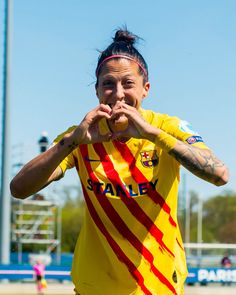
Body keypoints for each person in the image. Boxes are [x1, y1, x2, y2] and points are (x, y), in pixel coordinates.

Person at [10, 28, 229, 295]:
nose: (118, 94)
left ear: (145, 89)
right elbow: (19, 189)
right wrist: (73, 141)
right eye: (108, 84)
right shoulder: (80, 136)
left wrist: (153, 135)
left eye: (128, 83)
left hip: (159, 286)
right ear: (97, 90)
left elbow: (220, 174)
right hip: (95, 286)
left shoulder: (167, 127)